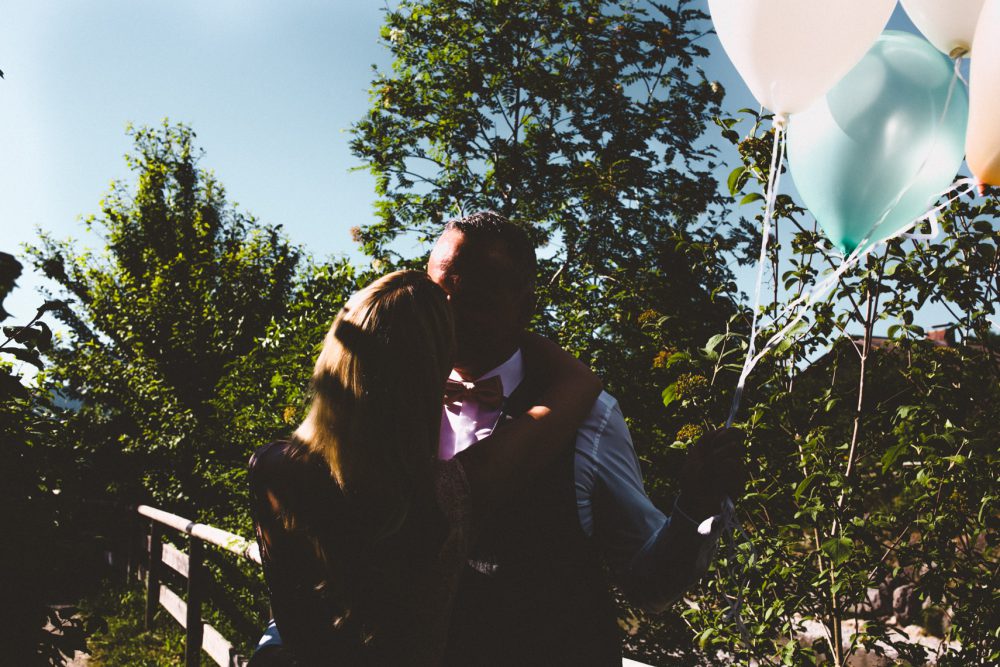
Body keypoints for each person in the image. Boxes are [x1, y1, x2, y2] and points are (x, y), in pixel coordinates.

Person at [426, 211, 746, 666]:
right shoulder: (396, 396)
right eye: (438, 292)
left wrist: (694, 506)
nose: (448, 313)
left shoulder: (589, 419)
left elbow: (649, 587)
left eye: (474, 298)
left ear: (524, 308)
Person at [247, 270, 602, 666]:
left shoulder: (271, 468)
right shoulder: (448, 492)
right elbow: (580, 382)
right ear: (427, 372)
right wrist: (510, 323)